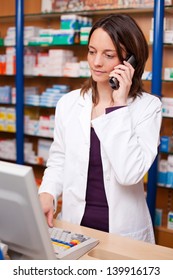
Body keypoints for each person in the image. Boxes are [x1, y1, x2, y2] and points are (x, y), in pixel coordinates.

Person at [38, 14, 162, 243]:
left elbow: (129, 174)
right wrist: (47, 193)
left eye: (109, 55)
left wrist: (119, 106)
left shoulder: (148, 108)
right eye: (92, 51)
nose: (96, 62)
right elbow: (59, 160)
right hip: (74, 227)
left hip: (124, 235)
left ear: (130, 60)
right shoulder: (69, 103)